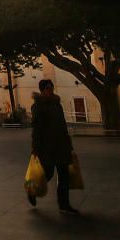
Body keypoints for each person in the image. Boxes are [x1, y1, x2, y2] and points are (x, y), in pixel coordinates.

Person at [28, 79, 79, 214]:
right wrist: (35, 148)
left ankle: (64, 204)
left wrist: (69, 144)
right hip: (47, 147)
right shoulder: (38, 106)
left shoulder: (57, 105)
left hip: (62, 146)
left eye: (51, 87)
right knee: (47, 174)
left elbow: (63, 126)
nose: (50, 90)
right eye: (47, 88)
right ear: (42, 90)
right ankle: (32, 191)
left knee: (64, 176)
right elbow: (36, 129)